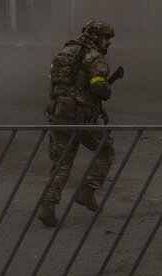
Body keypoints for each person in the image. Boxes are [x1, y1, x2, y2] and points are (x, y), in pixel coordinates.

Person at [38, 20, 118, 227]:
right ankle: (88, 189)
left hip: (58, 115)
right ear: (96, 36)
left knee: (62, 163)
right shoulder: (95, 58)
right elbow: (99, 87)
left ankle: (48, 206)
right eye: (106, 38)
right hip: (81, 118)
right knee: (106, 150)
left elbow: (54, 83)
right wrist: (106, 91)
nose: (109, 42)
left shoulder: (65, 53)